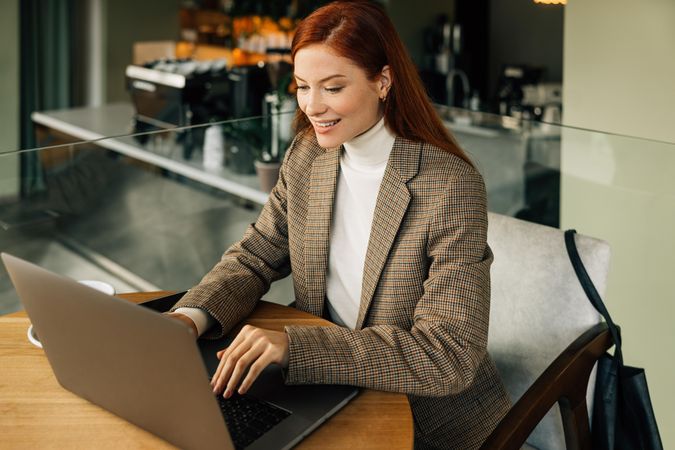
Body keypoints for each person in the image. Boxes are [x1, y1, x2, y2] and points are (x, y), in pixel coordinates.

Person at [167, 1, 510, 448]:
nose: (312, 106)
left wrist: (296, 347)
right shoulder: (309, 154)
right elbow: (256, 254)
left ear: (382, 81)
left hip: (420, 415)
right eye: (302, 86)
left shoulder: (449, 187)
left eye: (332, 87)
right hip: (326, 390)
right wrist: (187, 318)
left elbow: (448, 354)